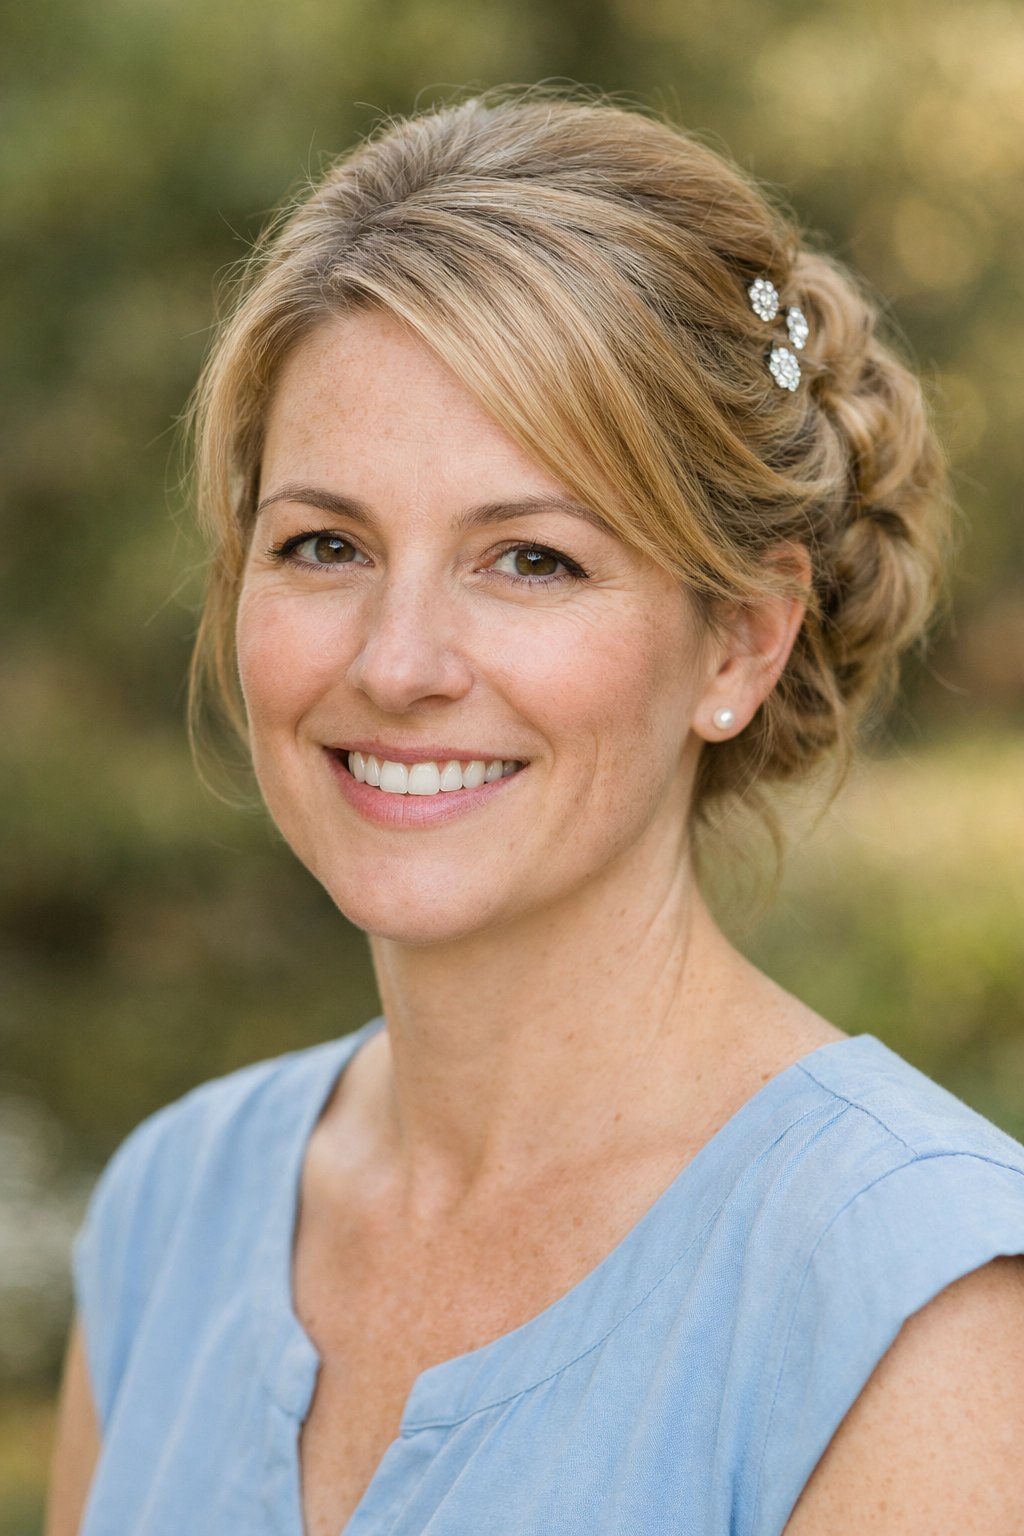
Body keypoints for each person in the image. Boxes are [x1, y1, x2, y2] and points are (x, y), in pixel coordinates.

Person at [47, 92, 1024, 1536]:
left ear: (740, 644)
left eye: (531, 560)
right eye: (324, 544)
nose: (397, 665)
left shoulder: (922, 1314)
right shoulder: (168, 1212)